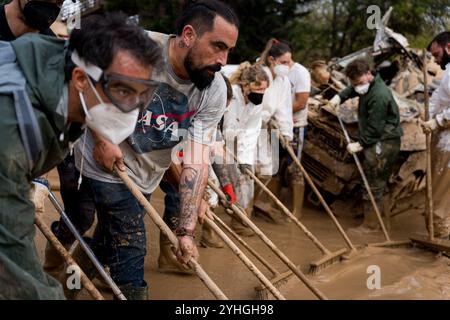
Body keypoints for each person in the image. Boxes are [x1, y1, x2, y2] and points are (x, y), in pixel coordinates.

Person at [69, 0, 239, 299]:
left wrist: (185, 231)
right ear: (188, 35)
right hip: (106, 161)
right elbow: (80, 74)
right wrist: (100, 138)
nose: (223, 60)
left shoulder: (213, 89)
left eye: (228, 51)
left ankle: (73, 269)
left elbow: (197, 160)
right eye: (217, 46)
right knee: (132, 241)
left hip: (148, 170)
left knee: (111, 241)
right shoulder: (136, 46)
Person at [0, 12, 162, 299]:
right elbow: (11, 260)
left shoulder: (61, 87)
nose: (132, 109)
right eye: (123, 91)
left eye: (140, 96)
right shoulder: (12, 127)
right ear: (80, 78)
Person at [329, 59, 403, 232]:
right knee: (378, 180)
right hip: (379, 138)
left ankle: (370, 226)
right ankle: (382, 222)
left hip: (383, 141)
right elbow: (354, 89)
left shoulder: (379, 95)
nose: (358, 87)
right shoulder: (367, 84)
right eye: (355, 84)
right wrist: (339, 97)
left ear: (369, 74)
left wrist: (360, 144)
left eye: (360, 83)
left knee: (373, 181)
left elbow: (375, 129)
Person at [222, 62, 269, 235]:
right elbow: (227, 130)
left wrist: (245, 161)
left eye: (264, 90)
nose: (261, 95)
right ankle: (208, 231)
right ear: (245, 86)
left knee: (246, 181)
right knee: (218, 184)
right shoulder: (232, 95)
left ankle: (238, 220)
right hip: (219, 140)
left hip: (239, 142)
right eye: (258, 91)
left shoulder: (257, 104)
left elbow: (251, 133)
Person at [253, 38, 294, 221]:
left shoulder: (283, 81)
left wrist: (286, 133)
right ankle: (239, 211)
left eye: (289, 62)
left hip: (263, 127)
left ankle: (250, 202)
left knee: (267, 169)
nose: (288, 65)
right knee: (246, 170)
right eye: (284, 62)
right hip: (246, 125)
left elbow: (284, 108)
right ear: (272, 60)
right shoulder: (259, 75)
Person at [421, 31, 450, 239]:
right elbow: (439, 99)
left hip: (448, 141)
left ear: (448, 47)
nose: (435, 59)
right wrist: (428, 116)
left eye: (437, 53)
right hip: (442, 138)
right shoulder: (448, 71)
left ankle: (441, 243)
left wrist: (438, 121)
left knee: (439, 198)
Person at [285, 42, 311, 218]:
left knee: (295, 167)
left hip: (296, 124)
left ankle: (297, 211)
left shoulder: (300, 72)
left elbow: (301, 102)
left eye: (286, 61)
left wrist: (283, 114)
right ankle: (269, 204)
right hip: (278, 124)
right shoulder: (274, 72)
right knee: (275, 166)